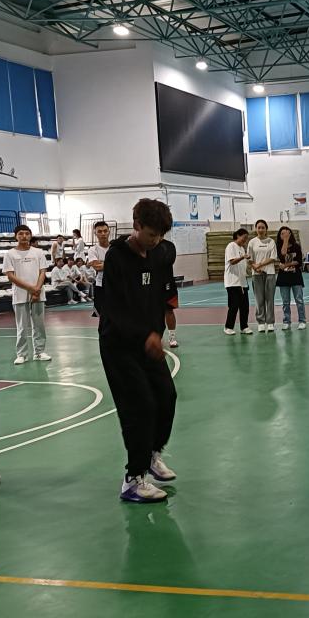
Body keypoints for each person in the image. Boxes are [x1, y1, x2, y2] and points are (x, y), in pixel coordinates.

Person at [99, 198, 178, 503]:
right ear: (136, 226)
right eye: (151, 234)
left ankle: (152, 454)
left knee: (167, 396)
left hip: (150, 343)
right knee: (139, 406)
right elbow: (112, 309)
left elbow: (163, 272)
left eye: (160, 235)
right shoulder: (117, 258)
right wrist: (145, 335)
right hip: (119, 345)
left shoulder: (161, 252)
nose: (155, 240)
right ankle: (133, 479)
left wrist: (156, 332)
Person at [2, 225, 50, 365]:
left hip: (38, 294)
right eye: (21, 233)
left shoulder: (38, 252)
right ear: (15, 236)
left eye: (27, 233)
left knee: (39, 325)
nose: (24, 236)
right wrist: (31, 289)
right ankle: (22, 354)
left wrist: (37, 289)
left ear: (30, 235)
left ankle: (39, 352)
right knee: (22, 326)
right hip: (20, 295)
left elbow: (43, 272)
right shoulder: (10, 254)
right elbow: (10, 276)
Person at [247, 219, 278, 332]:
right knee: (259, 299)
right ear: (256, 229)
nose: (260, 229)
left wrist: (260, 264)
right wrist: (255, 267)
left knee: (270, 299)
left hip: (270, 273)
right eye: (258, 227)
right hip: (256, 274)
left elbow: (273, 257)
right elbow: (249, 259)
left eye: (263, 227)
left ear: (266, 229)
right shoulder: (252, 242)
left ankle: (270, 322)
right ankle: (261, 322)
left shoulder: (271, 242)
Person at [276, 226, 306, 330]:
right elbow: (283, 254)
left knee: (299, 300)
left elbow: (299, 261)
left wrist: (286, 265)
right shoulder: (278, 246)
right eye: (282, 234)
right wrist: (285, 241)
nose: (284, 235)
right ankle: (286, 321)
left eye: (286, 233)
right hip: (283, 278)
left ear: (290, 234)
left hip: (296, 276)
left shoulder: (296, 246)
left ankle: (302, 321)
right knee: (285, 301)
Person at [224, 227, 252, 335]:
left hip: (243, 282)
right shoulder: (231, 246)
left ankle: (244, 327)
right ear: (238, 236)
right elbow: (232, 261)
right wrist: (243, 257)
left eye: (247, 238)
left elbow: (242, 265)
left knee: (245, 306)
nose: (245, 240)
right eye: (244, 237)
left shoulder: (242, 248)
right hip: (232, 282)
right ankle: (228, 327)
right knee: (234, 306)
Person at [88, 220, 110, 317]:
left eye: (105, 231)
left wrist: (103, 263)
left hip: (116, 284)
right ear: (95, 233)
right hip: (101, 284)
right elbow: (97, 267)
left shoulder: (115, 248)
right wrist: (113, 264)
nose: (103, 234)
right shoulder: (92, 250)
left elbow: (122, 265)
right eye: (100, 231)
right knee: (102, 316)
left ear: (109, 232)